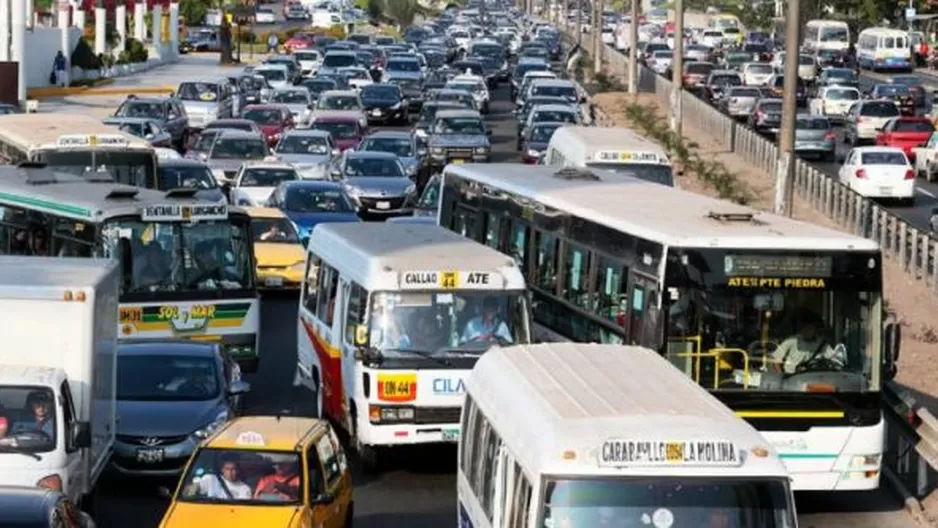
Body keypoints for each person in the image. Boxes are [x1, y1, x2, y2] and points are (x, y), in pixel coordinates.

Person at [770, 313, 839, 374]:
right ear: (801, 328)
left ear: (815, 330)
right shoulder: (792, 341)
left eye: (810, 329)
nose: (807, 331)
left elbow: (834, 359)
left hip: (814, 377)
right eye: (805, 328)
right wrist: (781, 376)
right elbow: (776, 359)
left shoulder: (822, 344)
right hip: (791, 377)